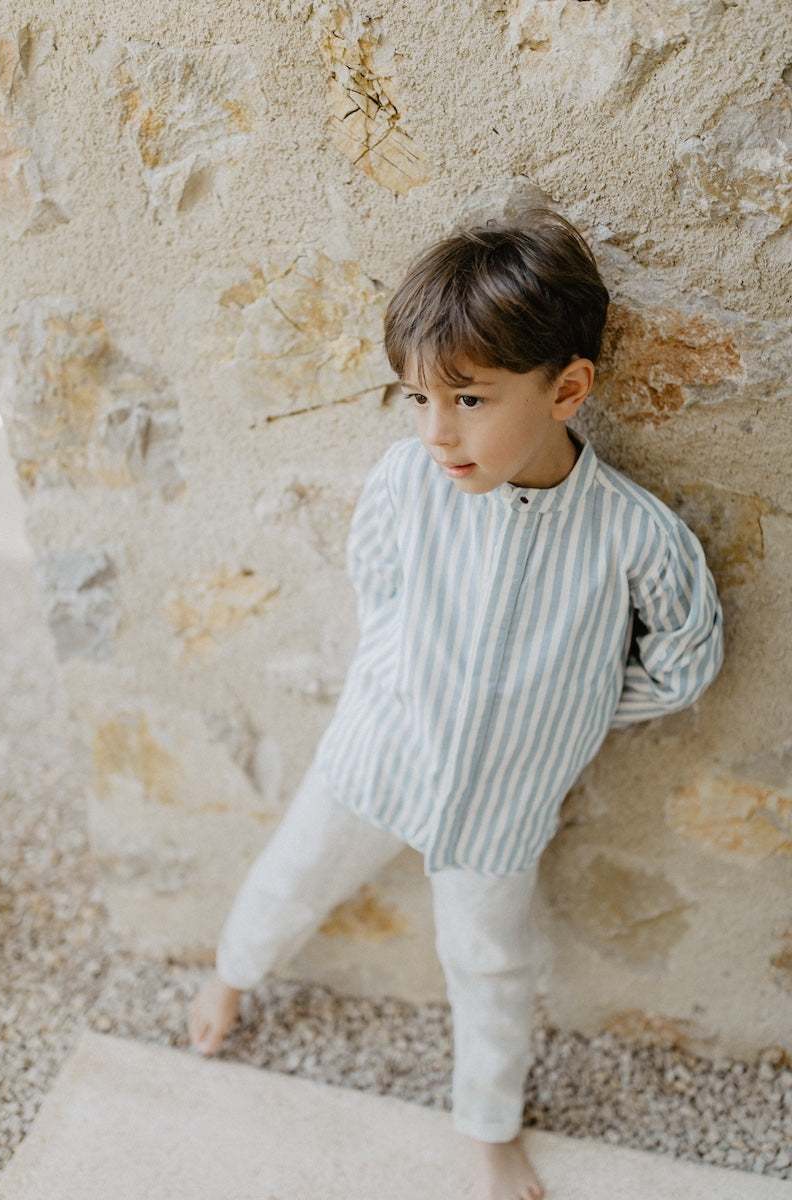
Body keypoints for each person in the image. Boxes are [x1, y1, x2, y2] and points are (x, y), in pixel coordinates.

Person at [188, 211, 724, 1200]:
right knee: (292, 874)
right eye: (418, 398)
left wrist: (567, 706)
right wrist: (402, 679)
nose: (437, 431)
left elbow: (686, 658)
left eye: (469, 399)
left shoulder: (627, 535)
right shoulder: (407, 481)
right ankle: (230, 970)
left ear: (564, 390)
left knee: (490, 971)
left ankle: (486, 1124)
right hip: (375, 759)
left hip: (495, 812)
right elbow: (378, 583)